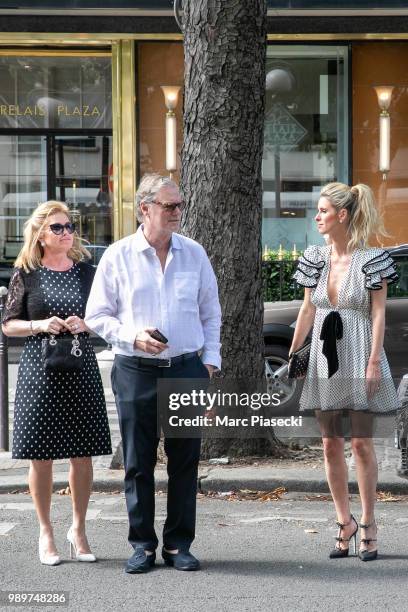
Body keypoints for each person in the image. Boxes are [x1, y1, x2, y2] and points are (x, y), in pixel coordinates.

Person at [85, 173, 221, 574]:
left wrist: (210, 362)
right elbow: (97, 315)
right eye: (169, 206)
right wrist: (132, 336)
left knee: (184, 462)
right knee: (138, 462)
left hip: (185, 369)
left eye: (179, 205)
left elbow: (211, 312)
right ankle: (142, 544)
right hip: (135, 370)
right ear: (145, 209)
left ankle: (179, 545)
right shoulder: (118, 255)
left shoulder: (194, 253)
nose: (177, 212)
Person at [289, 182, 400, 562]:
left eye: (322, 211)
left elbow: (379, 313)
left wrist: (373, 361)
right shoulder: (315, 258)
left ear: (342, 215)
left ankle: (369, 522)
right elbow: (307, 309)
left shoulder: (372, 261)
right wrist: (294, 354)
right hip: (323, 355)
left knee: (361, 443)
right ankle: (344, 521)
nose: (317, 217)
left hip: (359, 350)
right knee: (330, 442)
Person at [2, 201, 112, 566]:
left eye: (69, 227)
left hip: (80, 366)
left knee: (83, 453)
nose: (67, 233)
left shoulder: (86, 272)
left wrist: (88, 324)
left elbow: (107, 315)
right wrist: (39, 324)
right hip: (40, 369)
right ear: (40, 234)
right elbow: (8, 323)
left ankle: (78, 529)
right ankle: (46, 530)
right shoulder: (26, 273)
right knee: (42, 454)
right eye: (58, 228)